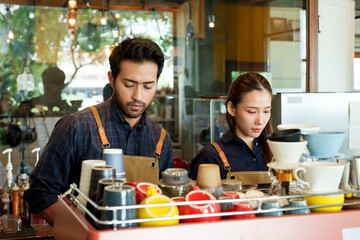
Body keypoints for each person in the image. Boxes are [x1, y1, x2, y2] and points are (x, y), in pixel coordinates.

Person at [26, 37, 174, 226]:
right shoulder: (76, 127)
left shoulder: (160, 138)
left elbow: (165, 203)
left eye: (147, 86)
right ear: (112, 79)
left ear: (157, 81)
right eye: (129, 84)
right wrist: (83, 235)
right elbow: (40, 195)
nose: (138, 96)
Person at [189, 72, 273, 181]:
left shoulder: (275, 151)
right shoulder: (211, 155)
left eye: (266, 111)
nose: (260, 121)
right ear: (231, 108)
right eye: (252, 112)